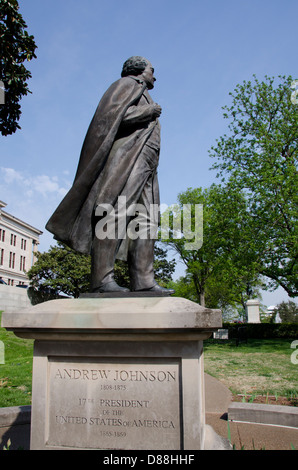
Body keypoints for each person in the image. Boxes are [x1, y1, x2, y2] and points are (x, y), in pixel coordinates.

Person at [46, 56, 173, 294]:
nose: (154, 76)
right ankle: (101, 280)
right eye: (152, 70)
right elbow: (110, 119)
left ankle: (143, 280)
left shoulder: (143, 91)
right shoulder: (125, 84)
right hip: (128, 157)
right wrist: (148, 112)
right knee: (116, 211)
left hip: (147, 163)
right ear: (138, 70)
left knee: (147, 220)